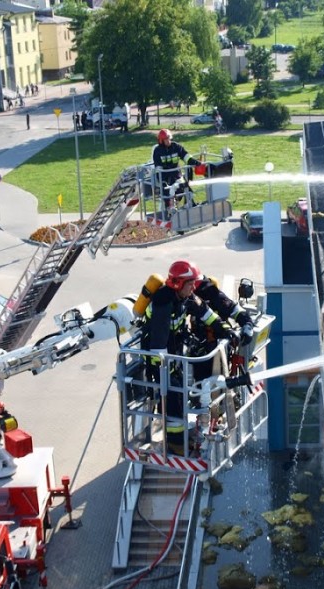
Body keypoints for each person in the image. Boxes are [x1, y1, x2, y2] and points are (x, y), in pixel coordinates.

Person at [141, 260, 235, 455]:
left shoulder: (186, 297)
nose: (194, 287)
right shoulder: (163, 303)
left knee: (181, 393)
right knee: (174, 399)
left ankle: (185, 435)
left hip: (174, 356)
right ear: (177, 284)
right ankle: (176, 446)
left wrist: (227, 331)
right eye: (190, 283)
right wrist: (167, 372)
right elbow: (158, 344)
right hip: (160, 362)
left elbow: (207, 314)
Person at [152, 129, 203, 217]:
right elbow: (158, 168)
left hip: (177, 175)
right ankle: (170, 210)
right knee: (167, 192)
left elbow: (186, 156)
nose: (168, 141)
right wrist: (162, 181)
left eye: (169, 138)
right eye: (166, 139)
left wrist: (196, 163)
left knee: (186, 188)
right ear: (161, 141)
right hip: (165, 177)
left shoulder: (176, 146)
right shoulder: (157, 151)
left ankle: (191, 205)